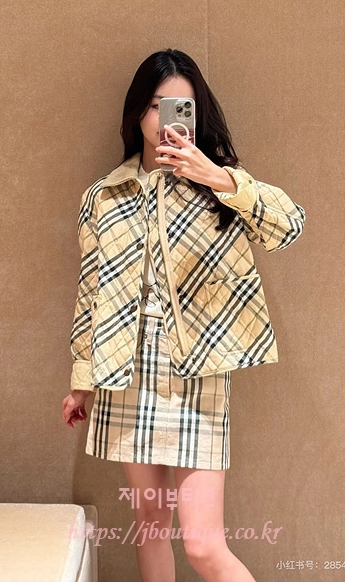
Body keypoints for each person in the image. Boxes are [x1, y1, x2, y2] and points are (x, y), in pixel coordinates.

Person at [62, 48, 306, 582]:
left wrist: (218, 177)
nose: (165, 119)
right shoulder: (104, 196)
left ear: (197, 114)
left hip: (198, 370)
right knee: (150, 525)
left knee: (202, 546)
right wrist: (81, 381)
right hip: (126, 370)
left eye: (181, 107)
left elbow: (290, 226)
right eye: (156, 105)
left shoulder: (220, 184)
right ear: (137, 112)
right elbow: (90, 292)